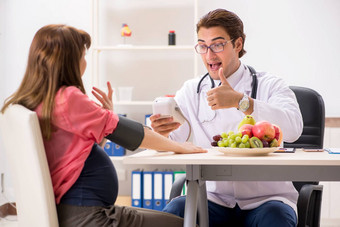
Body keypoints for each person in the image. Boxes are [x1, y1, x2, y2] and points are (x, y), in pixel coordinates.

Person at [1, 24, 207, 227]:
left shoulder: (36, 100)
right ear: (69, 61)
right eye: (83, 56)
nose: (84, 63)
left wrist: (106, 116)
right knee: (186, 224)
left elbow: (82, 152)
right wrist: (181, 146)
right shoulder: (68, 98)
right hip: (89, 216)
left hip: (78, 211)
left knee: (178, 220)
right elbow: (136, 135)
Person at [150, 9, 303, 227]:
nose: (209, 55)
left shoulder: (270, 85)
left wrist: (243, 102)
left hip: (267, 200)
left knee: (275, 219)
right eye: (203, 46)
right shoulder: (192, 90)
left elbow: (294, 129)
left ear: (238, 45)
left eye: (218, 44)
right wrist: (160, 131)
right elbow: (173, 138)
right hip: (212, 199)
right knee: (173, 213)